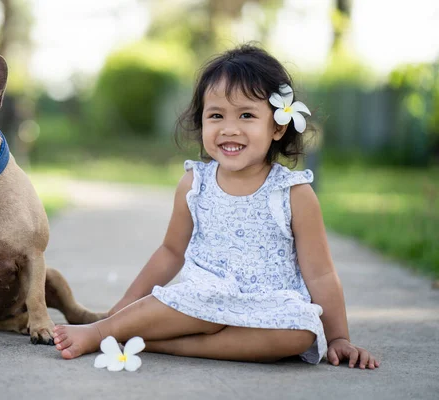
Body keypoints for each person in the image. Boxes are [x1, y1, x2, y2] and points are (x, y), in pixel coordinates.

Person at [53, 44, 379, 369]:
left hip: (264, 306)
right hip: (201, 297)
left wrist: (338, 337)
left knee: (302, 332)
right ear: (202, 123)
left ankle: (156, 343)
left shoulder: (293, 193)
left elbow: (321, 273)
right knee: (191, 301)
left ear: (277, 126)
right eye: (216, 115)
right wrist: (125, 306)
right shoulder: (196, 183)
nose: (229, 128)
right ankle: (102, 331)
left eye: (247, 115)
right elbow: (170, 251)